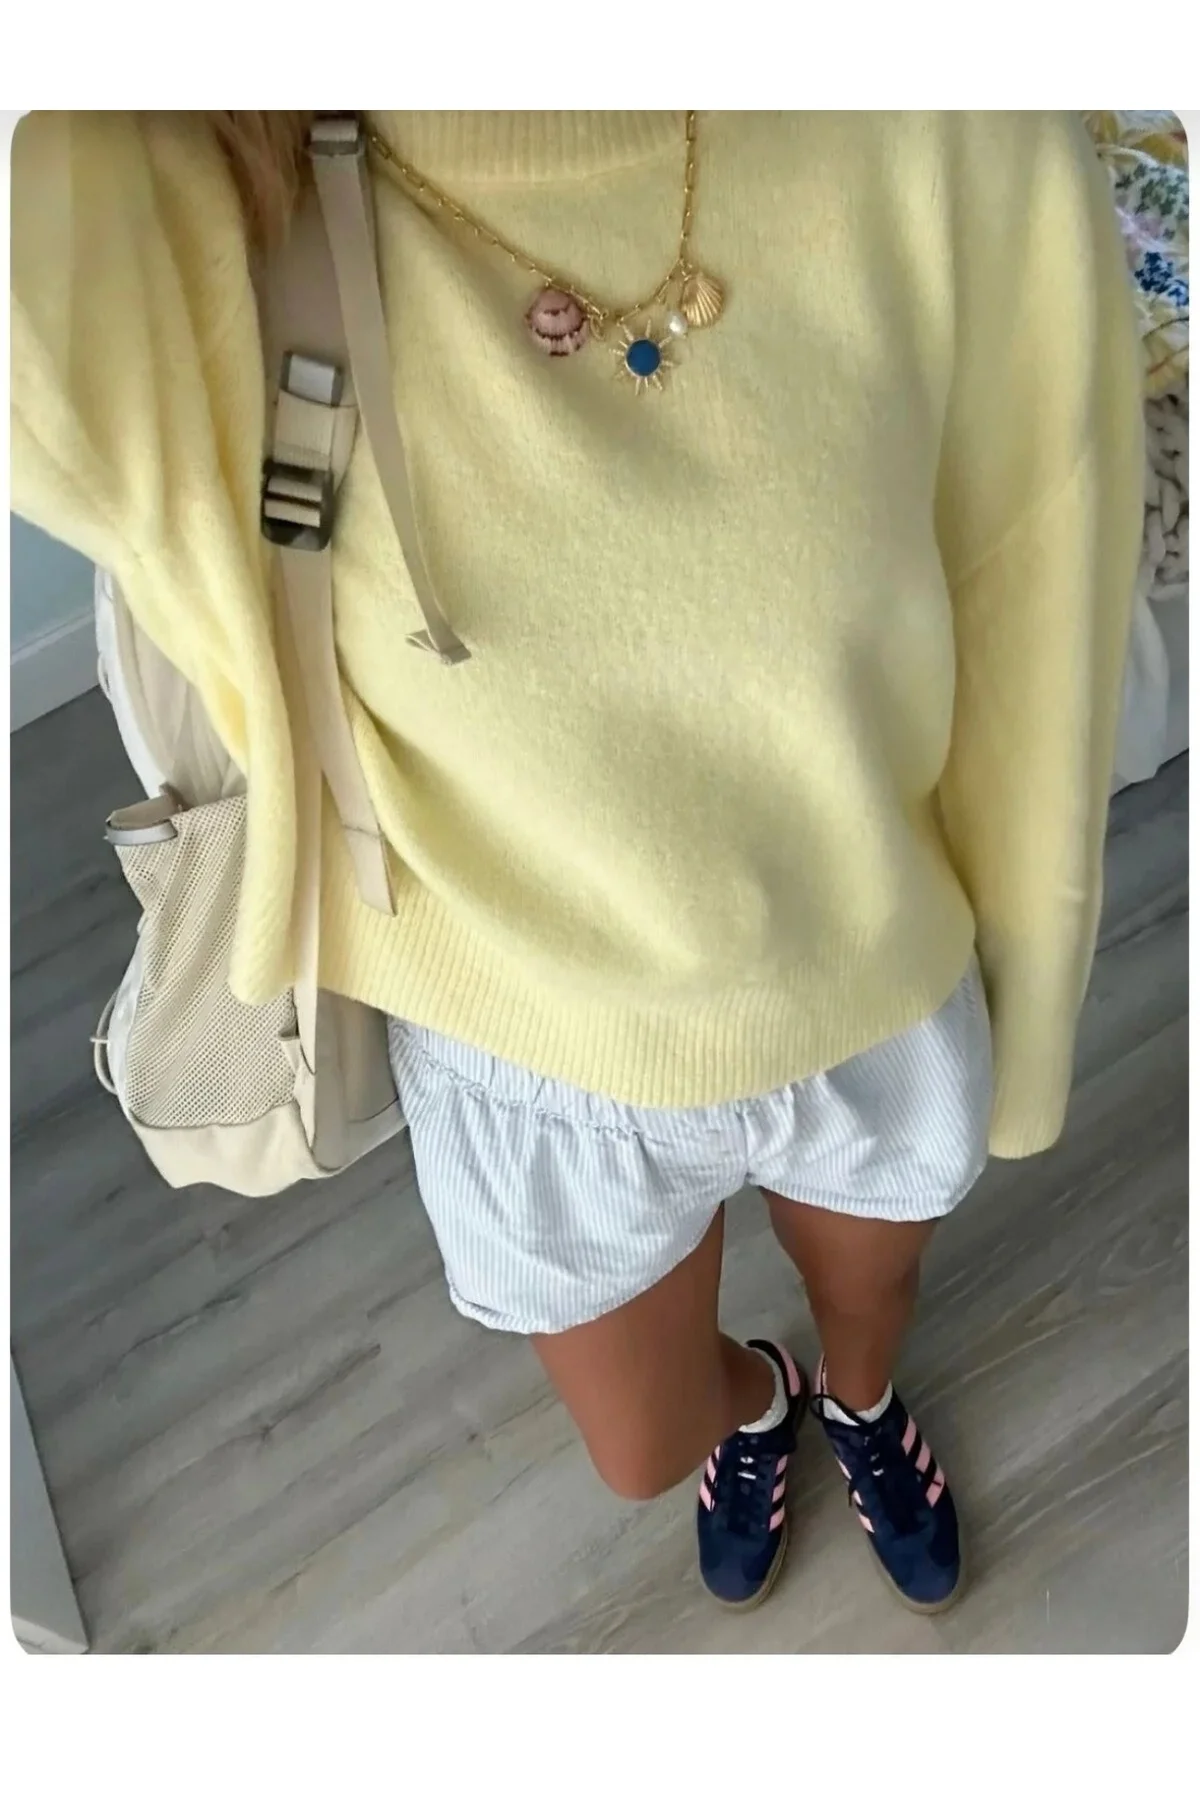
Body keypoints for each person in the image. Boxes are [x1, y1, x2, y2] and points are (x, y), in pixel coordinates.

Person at [10, 111, 1143, 1614]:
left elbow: (1029, 593)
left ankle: (859, 1404)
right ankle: (763, 1402)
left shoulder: (937, 117)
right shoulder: (169, 197)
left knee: (876, 1305)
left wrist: (1032, 1015)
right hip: (527, 1043)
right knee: (644, 1448)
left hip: (863, 968)